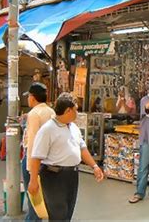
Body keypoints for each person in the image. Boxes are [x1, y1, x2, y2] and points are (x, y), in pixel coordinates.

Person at [28, 93, 104, 221]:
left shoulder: (73, 127)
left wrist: (94, 166)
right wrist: (33, 179)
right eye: (76, 109)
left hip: (72, 175)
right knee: (58, 214)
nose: (77, 112)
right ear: (68, 110)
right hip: (54, 176)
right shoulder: (48, 129)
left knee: (68, 212)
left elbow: (82, 148)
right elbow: (36, 157)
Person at [22, 82, 55, 221]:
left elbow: (33, 144)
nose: (27, 99)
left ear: (33, 97)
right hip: (48, 160)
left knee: (34, 201)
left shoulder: (34, 114)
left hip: (34, 162)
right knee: (43, 200)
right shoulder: (51, 111)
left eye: (28, 96)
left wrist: (31, 172)